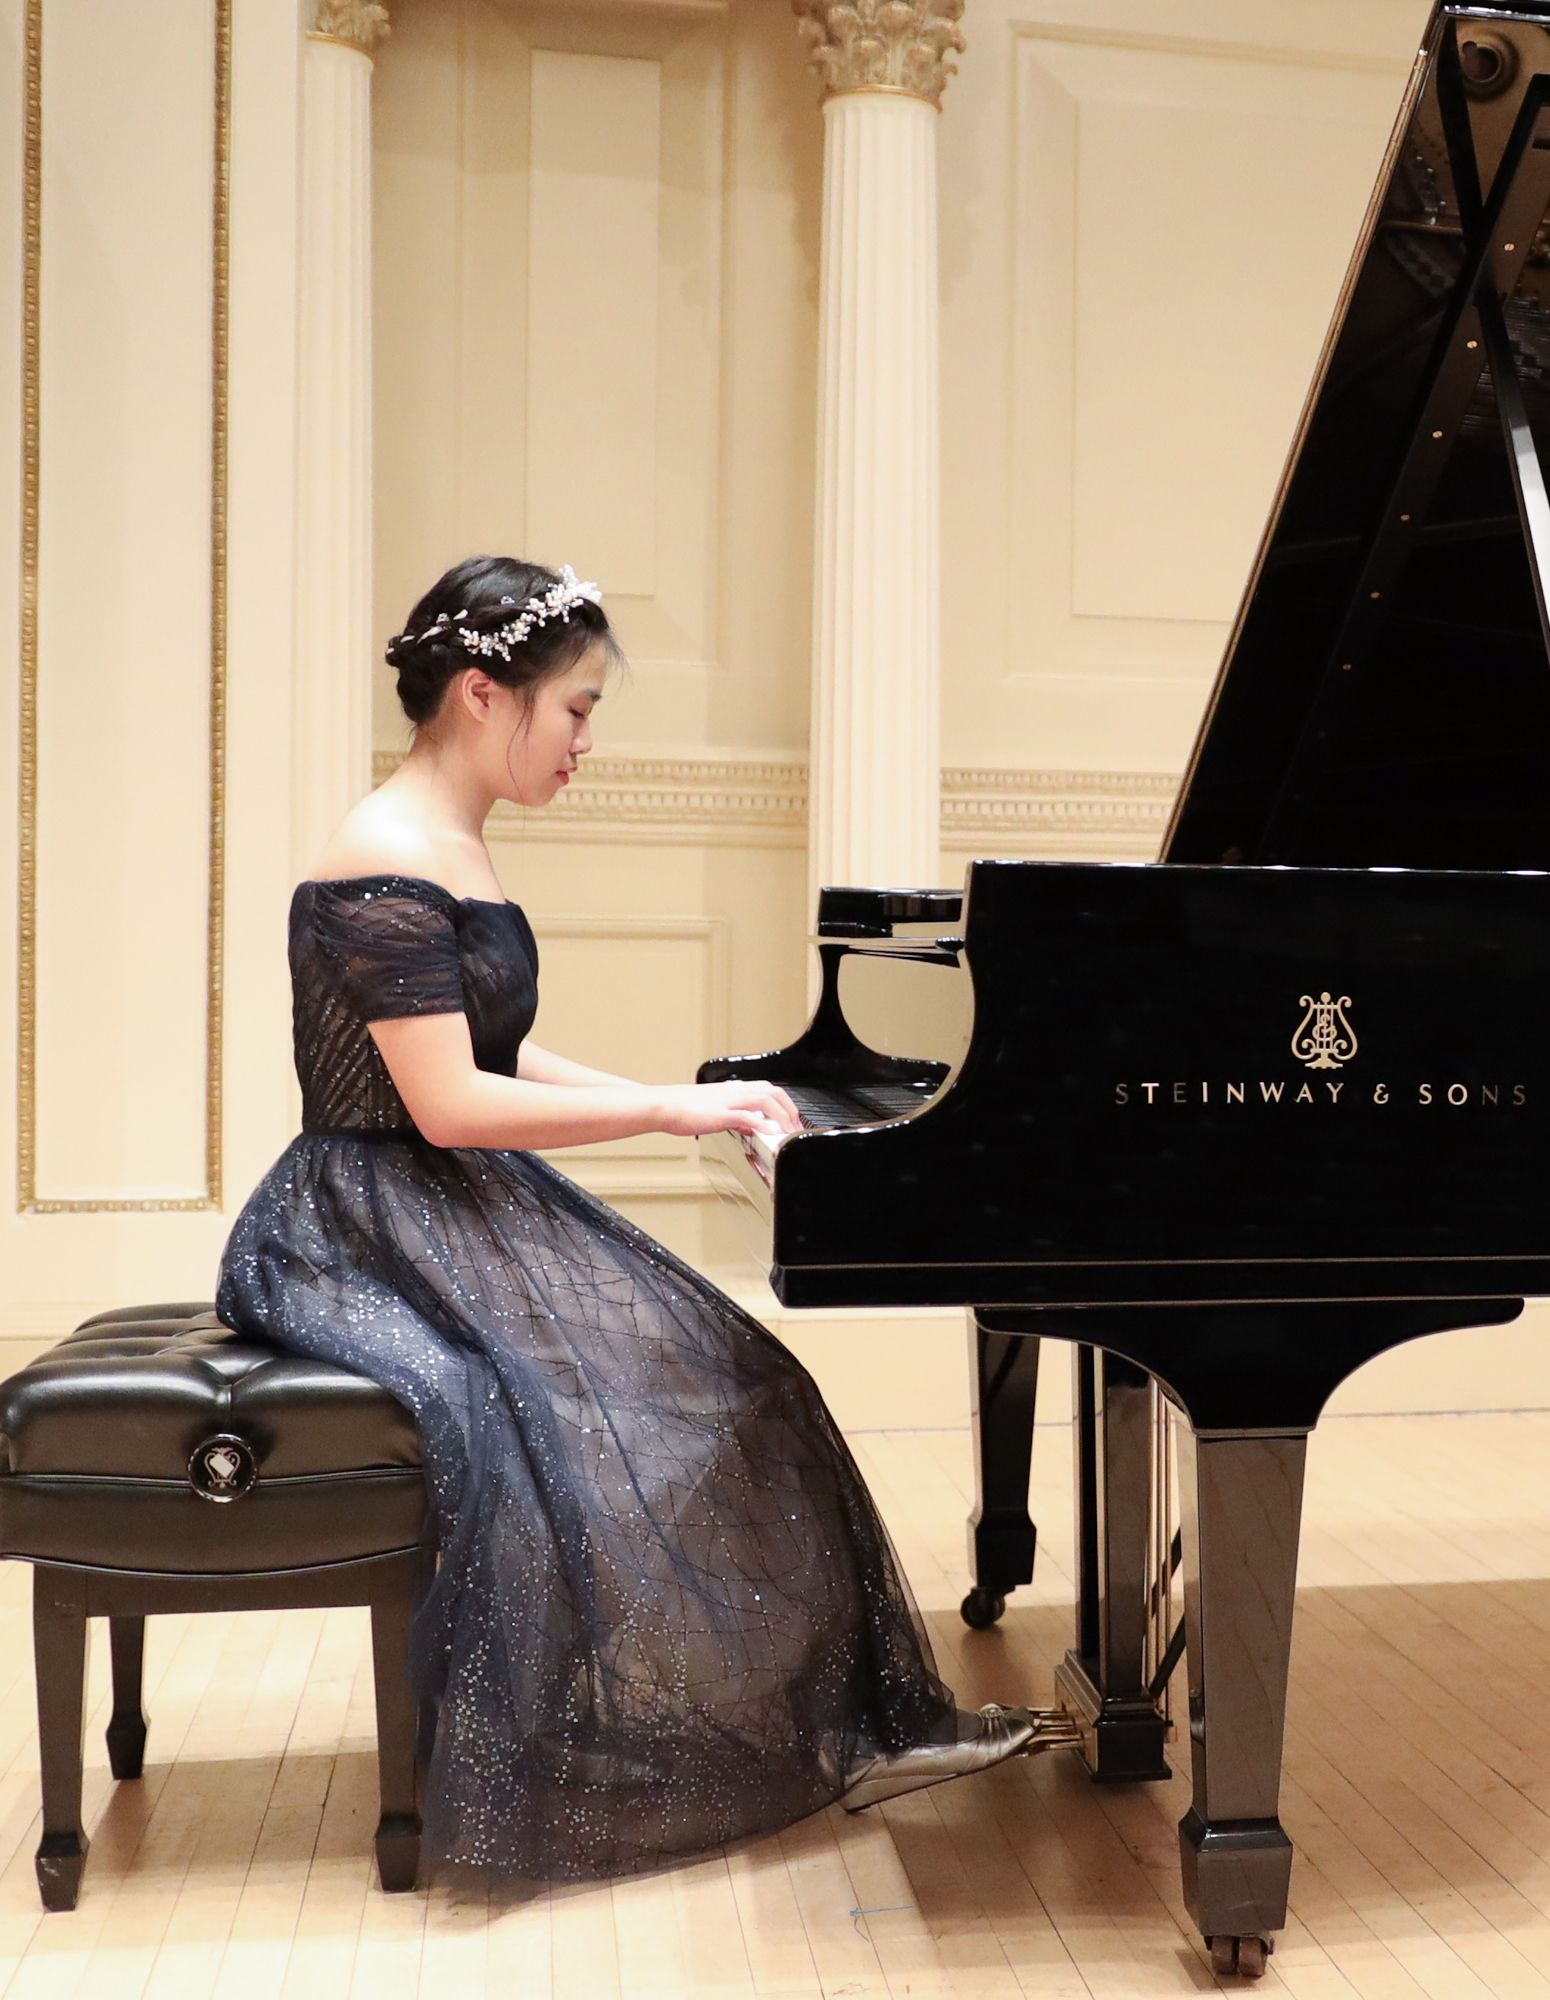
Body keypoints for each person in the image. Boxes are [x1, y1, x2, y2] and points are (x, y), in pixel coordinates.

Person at [217, 555, 1047, 1880]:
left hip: (430, 1200)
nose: (586, 741)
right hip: (359, 1225)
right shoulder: (385, 855)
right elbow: (451, 1105)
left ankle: (842, 1719)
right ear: (484, 696)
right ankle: (576, 1741)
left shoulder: (445, 840)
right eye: (577, 708)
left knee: (737, 1376)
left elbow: (492, 1049)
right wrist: (669, 1110)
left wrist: (694, 1100)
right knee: (535, 1416)